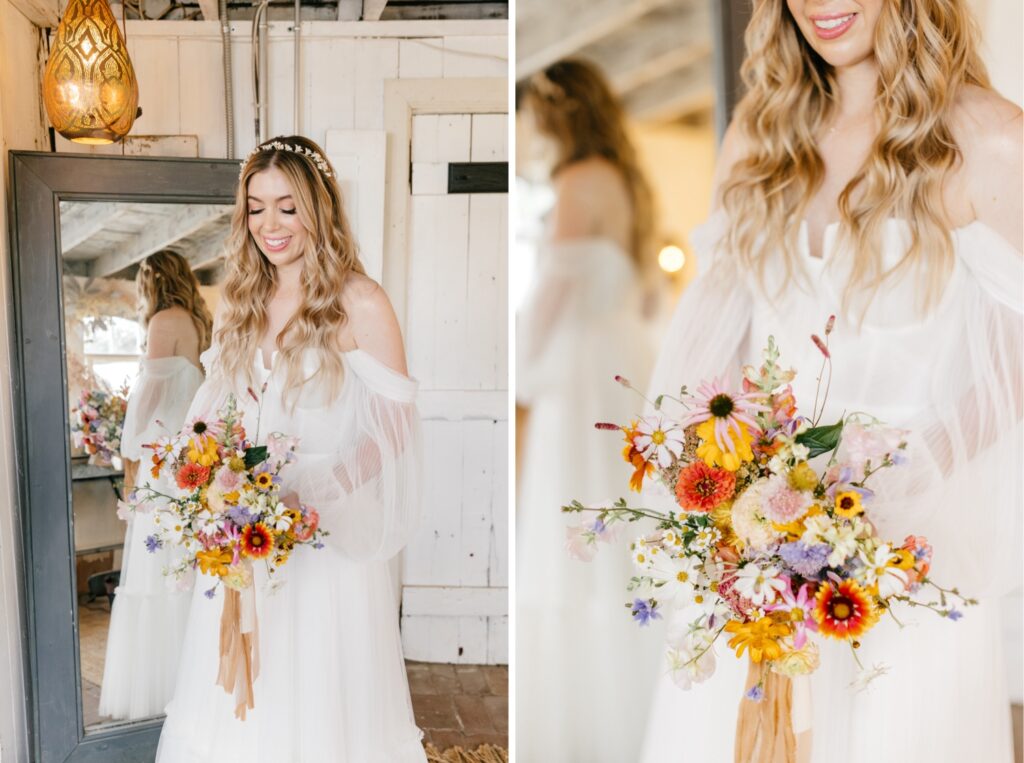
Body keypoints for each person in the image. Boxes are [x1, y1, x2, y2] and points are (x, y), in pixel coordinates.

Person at [639, 1, 1021, 761]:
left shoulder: (989, 137)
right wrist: (724, 491)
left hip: (916, 541)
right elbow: (714, 341)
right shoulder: (761, 128)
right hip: (757, 538)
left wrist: (906, 479)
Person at [155, 136, 426, 761]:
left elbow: (393, 430)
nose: (269, 226)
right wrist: (212, 481)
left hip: (324, 547)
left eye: (286, 206)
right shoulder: (241, 301)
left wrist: (307, 499)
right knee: (242, 705)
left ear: (319, 208)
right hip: (242, 537)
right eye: (255, 208)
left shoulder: (360, 300)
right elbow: (216, 414)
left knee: (319, 702)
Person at [516, 60, 662, 762]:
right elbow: (648, 295)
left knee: (572, 525)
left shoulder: (578, 181)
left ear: (556, 112)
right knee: (615, 526)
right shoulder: (625, 182)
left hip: (578, 376)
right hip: (620, 363)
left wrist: (517, 373)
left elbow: (550, 296)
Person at [99, 249, 211, 720]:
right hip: (190, 457)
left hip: (161, 457)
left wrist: (125, 452)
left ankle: (159, 686)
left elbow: (147, 396)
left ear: (153, 281)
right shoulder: (200, 321)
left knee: (155, 568)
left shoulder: (164, 320)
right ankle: (192, 678)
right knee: (183, 563)